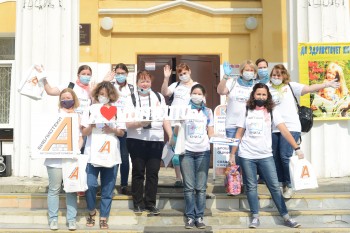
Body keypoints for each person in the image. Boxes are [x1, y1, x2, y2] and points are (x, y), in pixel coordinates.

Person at [229, 83, 303, 229]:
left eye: (264, 94)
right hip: (247, 155)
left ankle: (286, 217)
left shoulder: (272, 110)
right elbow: (239, 133)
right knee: (251, 187)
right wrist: (232, 153)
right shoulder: (246, 110)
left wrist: (297, 148)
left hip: (265, 155)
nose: (261, 97)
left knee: (275, 187)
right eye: (258, 94)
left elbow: (285, 131)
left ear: (267, 96)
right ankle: (255, 216)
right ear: (253, 95)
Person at [268, 64, 339, 198]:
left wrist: (326, 84)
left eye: (279, 74)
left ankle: (289, 185)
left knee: (285, 155)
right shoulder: (267, 87)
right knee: (275, 156)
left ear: (284, 76)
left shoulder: (290, 86)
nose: (276, 77)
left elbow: (309, 88)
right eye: (274, 74)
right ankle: (281, 183)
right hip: (274, 127)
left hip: (291, 126)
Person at [81, 81, 126, 229]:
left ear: (111, 96)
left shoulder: (118, 110)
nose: (103, 97)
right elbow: (84, 132)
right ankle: (92, 211)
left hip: (111, 155)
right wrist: (92, 125)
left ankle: (104, 217)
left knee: (108, 188)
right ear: (97, 94)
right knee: (91, 185)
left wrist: (112, 129)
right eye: (101, 94)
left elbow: (122, 132)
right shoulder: (90, 109)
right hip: (92, 154)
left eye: (106, 95)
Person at [126, 70, 172, 215]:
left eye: (147, 81)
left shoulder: (158, 96)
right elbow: (127, 123)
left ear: (151, 83)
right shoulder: (131, 98)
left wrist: (170, 135)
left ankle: (150, 203)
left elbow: (165, 118)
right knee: (138, 172)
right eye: (142, 81)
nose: (145, 84)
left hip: (155, 140)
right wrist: (140, 123)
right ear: (137, 83)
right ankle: (138, 203)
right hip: (136, 140)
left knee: (153, 172)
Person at [175, 84, 214, 229]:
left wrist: (219, 139)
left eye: (199, 93)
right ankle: (190, 216)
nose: (196, 95)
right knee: (189, 187)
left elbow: (210, 131)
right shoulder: (184, 110)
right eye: (194, 93)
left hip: (203, 151)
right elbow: (177, 126)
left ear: (204, 96)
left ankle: (200, 216)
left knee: (201, 187)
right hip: (187, 152)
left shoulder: (208, 112)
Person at [45, 88, 83, 231]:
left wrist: (77, 150)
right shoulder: (54, 115)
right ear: (60, 100)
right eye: (64, 98)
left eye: (69, 97)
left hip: (71, 159)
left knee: (71, 189)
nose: (66, 100)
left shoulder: (78, 116)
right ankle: (53, 219)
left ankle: (71, 220)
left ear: (74, 99)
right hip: (54, 160)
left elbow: (80, 138)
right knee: (54, 189)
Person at [161, 63, 198, 187]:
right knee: (175, 151)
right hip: (174, 122)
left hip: (189, 124)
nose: (183, 76)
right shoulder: (176, 85)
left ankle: (190, 178)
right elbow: (164, 92)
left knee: (188, 151)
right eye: (180, 74)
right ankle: (178, 178)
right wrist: (166, 78)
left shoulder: (196, 86)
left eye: (184, 73)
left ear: (190, 71)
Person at [217, 60, 257, 166]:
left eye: (251, 70)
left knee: (247, 154)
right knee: (235, 154)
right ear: (241, 71)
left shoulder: (256, 86)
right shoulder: (232, 82)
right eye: (247, 70)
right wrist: (225, 76)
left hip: (249, 125)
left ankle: (246, 179)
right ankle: (235, 180)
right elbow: (220, 91)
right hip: (232, 124)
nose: (249, 72)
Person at [104, 63, 133, 195]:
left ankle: (124, 185)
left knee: (124, 157)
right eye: (118, 73)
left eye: (122, 73)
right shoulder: (110, 87)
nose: (120, 76)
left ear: (127, 74)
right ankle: (109, 184)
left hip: (126, 128)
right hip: (111, 127)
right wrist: (105, 81)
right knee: (111, 156)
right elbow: (100, 97)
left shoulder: (132, 88)